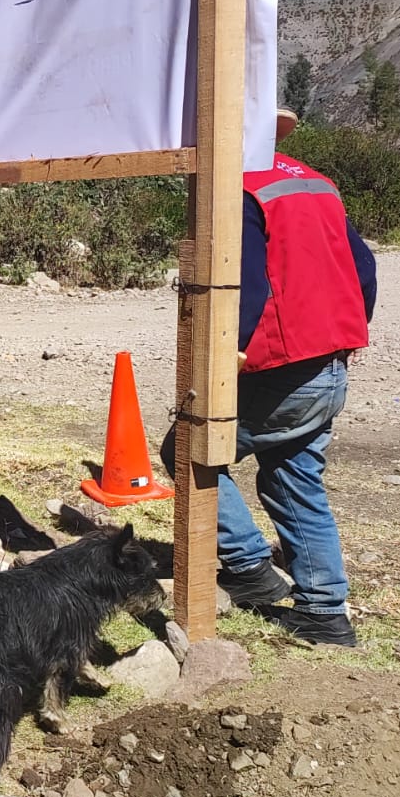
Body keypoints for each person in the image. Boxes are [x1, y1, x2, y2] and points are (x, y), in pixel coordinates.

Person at [160, 108, 376, 647]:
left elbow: (245, 281)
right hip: (328, 365)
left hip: (281, 369)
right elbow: (365, 269)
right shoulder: (316, 184)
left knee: (185, 448)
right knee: (293, 479)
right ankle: (325, 614)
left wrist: (229, 353)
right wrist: (342, 335)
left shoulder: (238, 189)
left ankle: (251, 569)